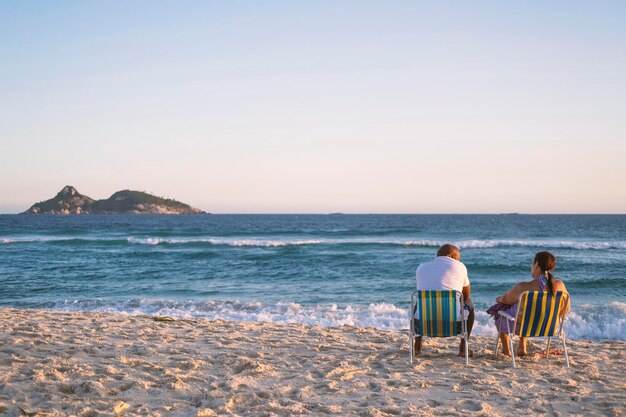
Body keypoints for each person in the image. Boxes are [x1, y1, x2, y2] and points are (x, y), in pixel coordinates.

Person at [489, 251, 570, 356]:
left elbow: (506, 299)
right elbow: (566, 309)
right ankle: (522, 347)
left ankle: (506, 350)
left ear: (536, 265)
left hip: (525, 326)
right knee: (524, 310)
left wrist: (499, 299)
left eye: (532, 263)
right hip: (548, 326)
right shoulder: (560, 286)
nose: (531, 266)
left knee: (501, 312)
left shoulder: (524, 287)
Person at [414, 244, 475, 356]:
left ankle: (417, 347)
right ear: (449, 256)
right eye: (457, 258)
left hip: (424, 321)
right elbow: (466, 295)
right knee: (469, 304)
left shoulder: (421, 267)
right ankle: (463, 348)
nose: (458, 261)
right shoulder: (460, 266)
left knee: (419, 302)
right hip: (451, 321)